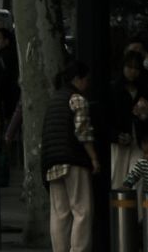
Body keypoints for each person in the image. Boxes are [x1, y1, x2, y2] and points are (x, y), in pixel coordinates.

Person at [41, 57, 102, 252]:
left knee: (60, 213)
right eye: (86, 80)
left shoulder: (54, 100)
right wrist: (93, 158)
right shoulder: (77, 99)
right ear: (78, 79)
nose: (87, 84)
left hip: (52, 161)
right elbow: (83, 132)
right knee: (82, 210)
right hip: (73, 159)